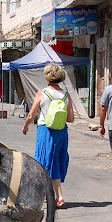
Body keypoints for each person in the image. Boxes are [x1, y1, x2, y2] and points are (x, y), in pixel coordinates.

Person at [22, 64, 74, 207]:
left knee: (44, 162)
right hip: (62, 132)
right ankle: (49, 194)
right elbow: (71, 119)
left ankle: (59, 196)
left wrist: (25, 126)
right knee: (55, 160)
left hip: (46, 130)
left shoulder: (42, 93)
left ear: (48, 77)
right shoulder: (66, 95)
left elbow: (31, 114)